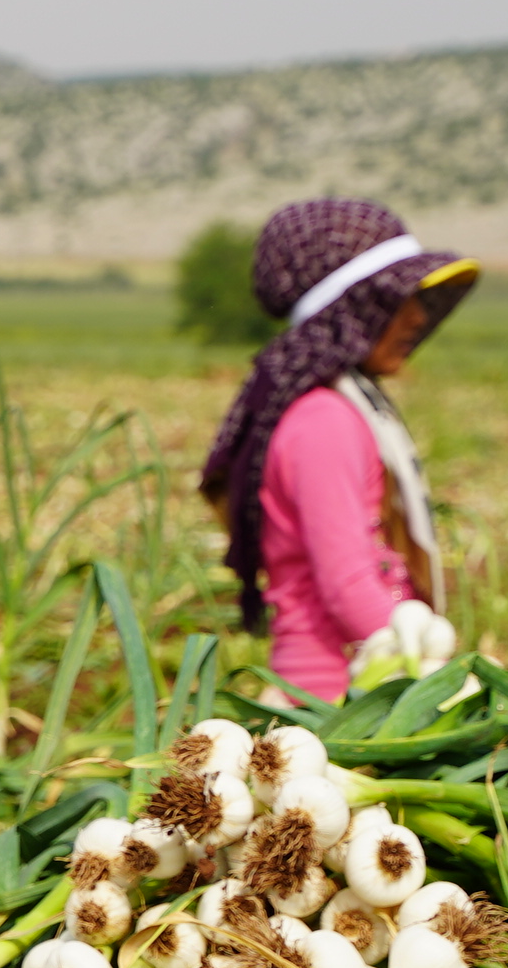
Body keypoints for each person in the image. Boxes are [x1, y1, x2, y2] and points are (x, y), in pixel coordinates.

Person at [198, 198, 482, 704]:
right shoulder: (323, 421)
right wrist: (426, 681)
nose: (417, 318)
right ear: (351, 315)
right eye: (398, 302)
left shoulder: (332, 409)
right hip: (336, 703)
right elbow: (347, 583)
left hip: (349, 689)